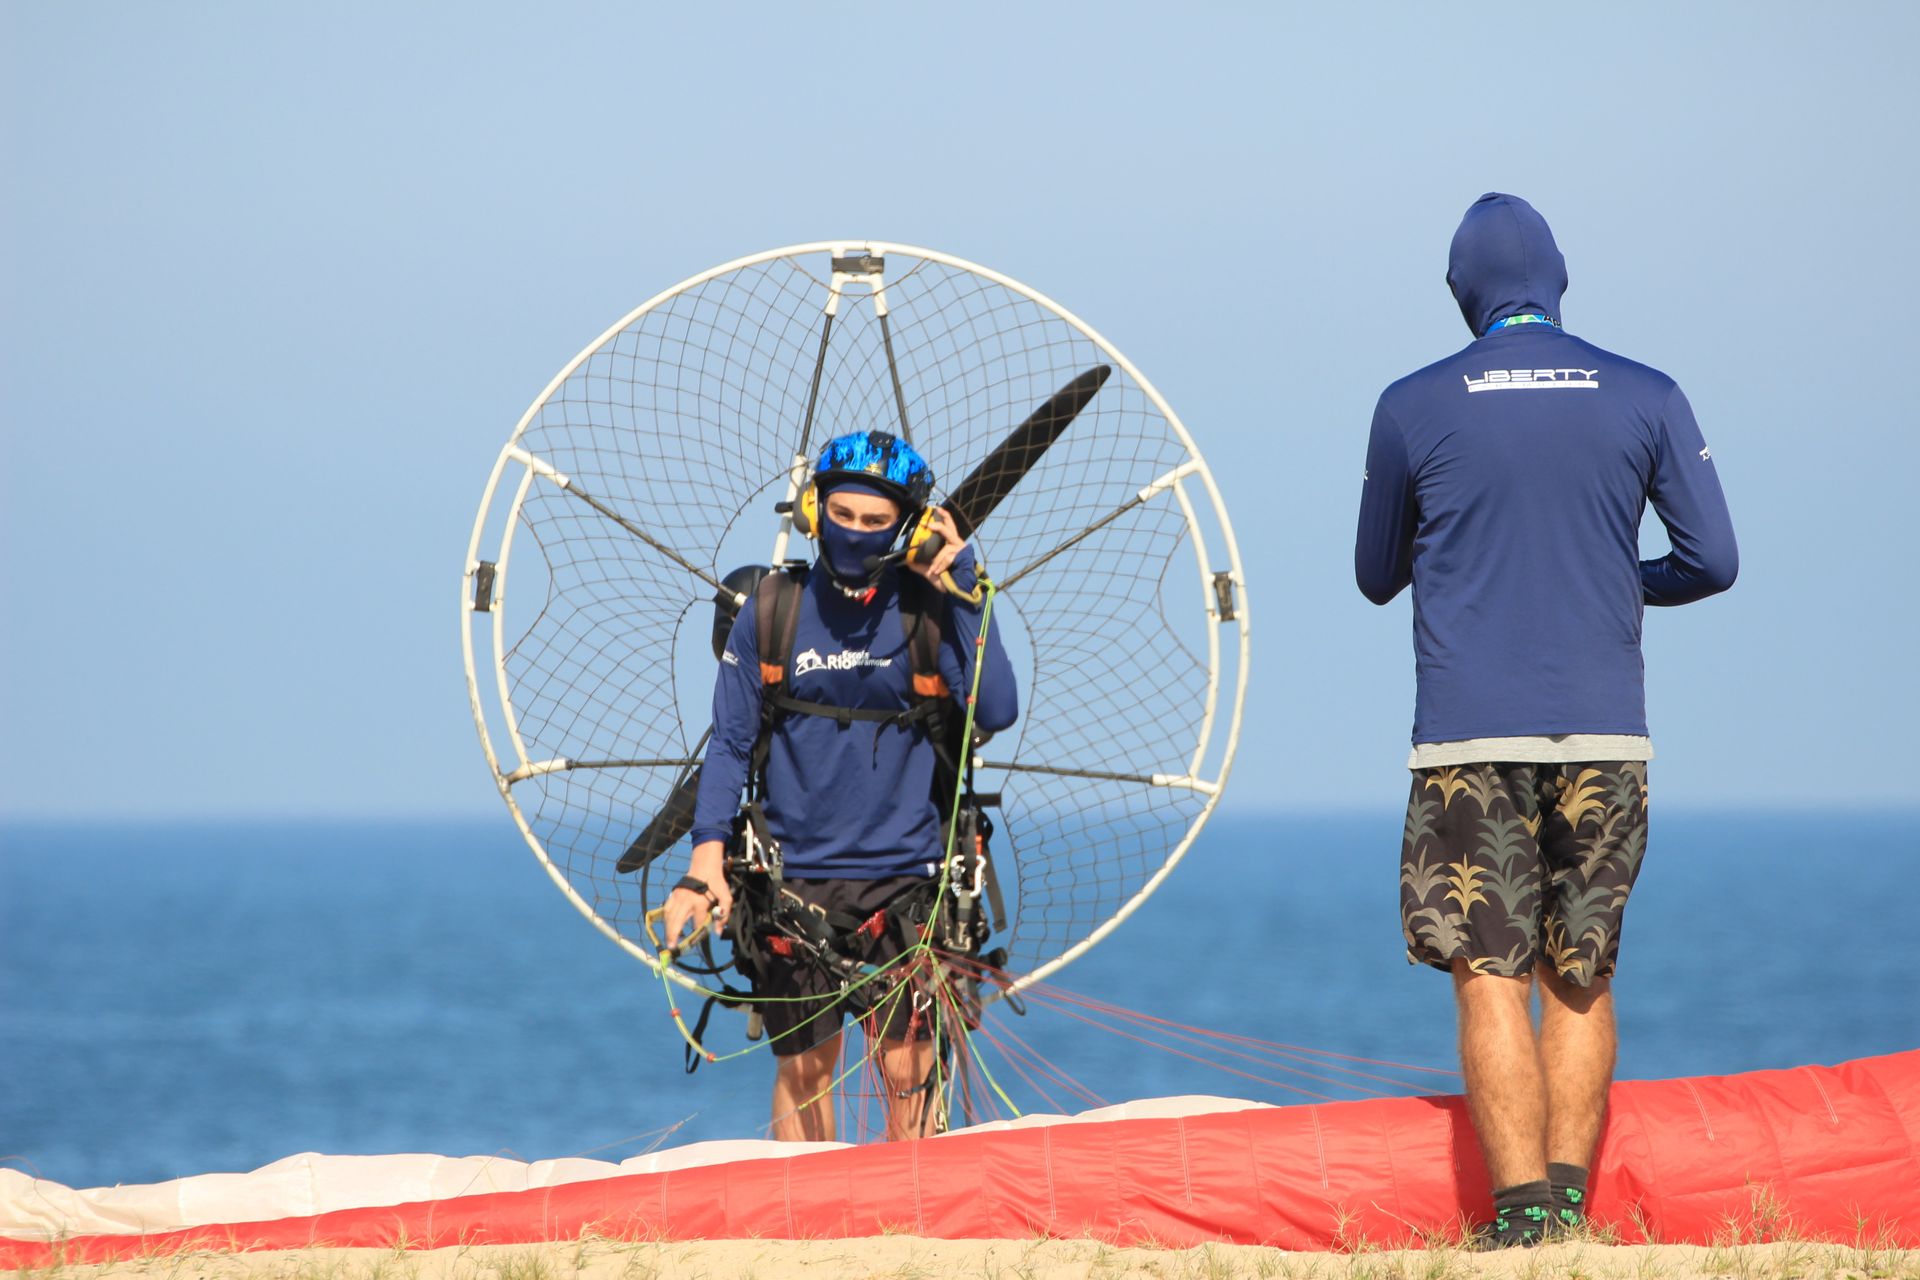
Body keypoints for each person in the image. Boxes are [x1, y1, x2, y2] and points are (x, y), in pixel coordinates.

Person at [1354, 193, 1738, 1247]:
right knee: (1582, 968)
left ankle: (1519, 1224)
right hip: (1608, 733)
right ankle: (1571, 1214)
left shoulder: (1411, 403)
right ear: (1560, 279)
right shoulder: (1647, 392)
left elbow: (1374, 573)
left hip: (1470, 736)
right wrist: (1616, 579)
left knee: (1490, 973)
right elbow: (1714, 560)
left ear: (1459, 292)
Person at [662, 429, 1018, 1142]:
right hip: (793, 887)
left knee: (907, 1071)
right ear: (812, 511)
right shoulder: (769, 614)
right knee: (805, 1073)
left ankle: (909, 1230)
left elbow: (996, 709)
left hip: (908, 885)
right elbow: (730, 746)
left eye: (875, 521)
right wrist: (705, 866)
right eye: (842, 515)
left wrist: (969, 592)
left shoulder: (931, 610)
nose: (854, 533)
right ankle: (802, 1237)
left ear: (908, 528)